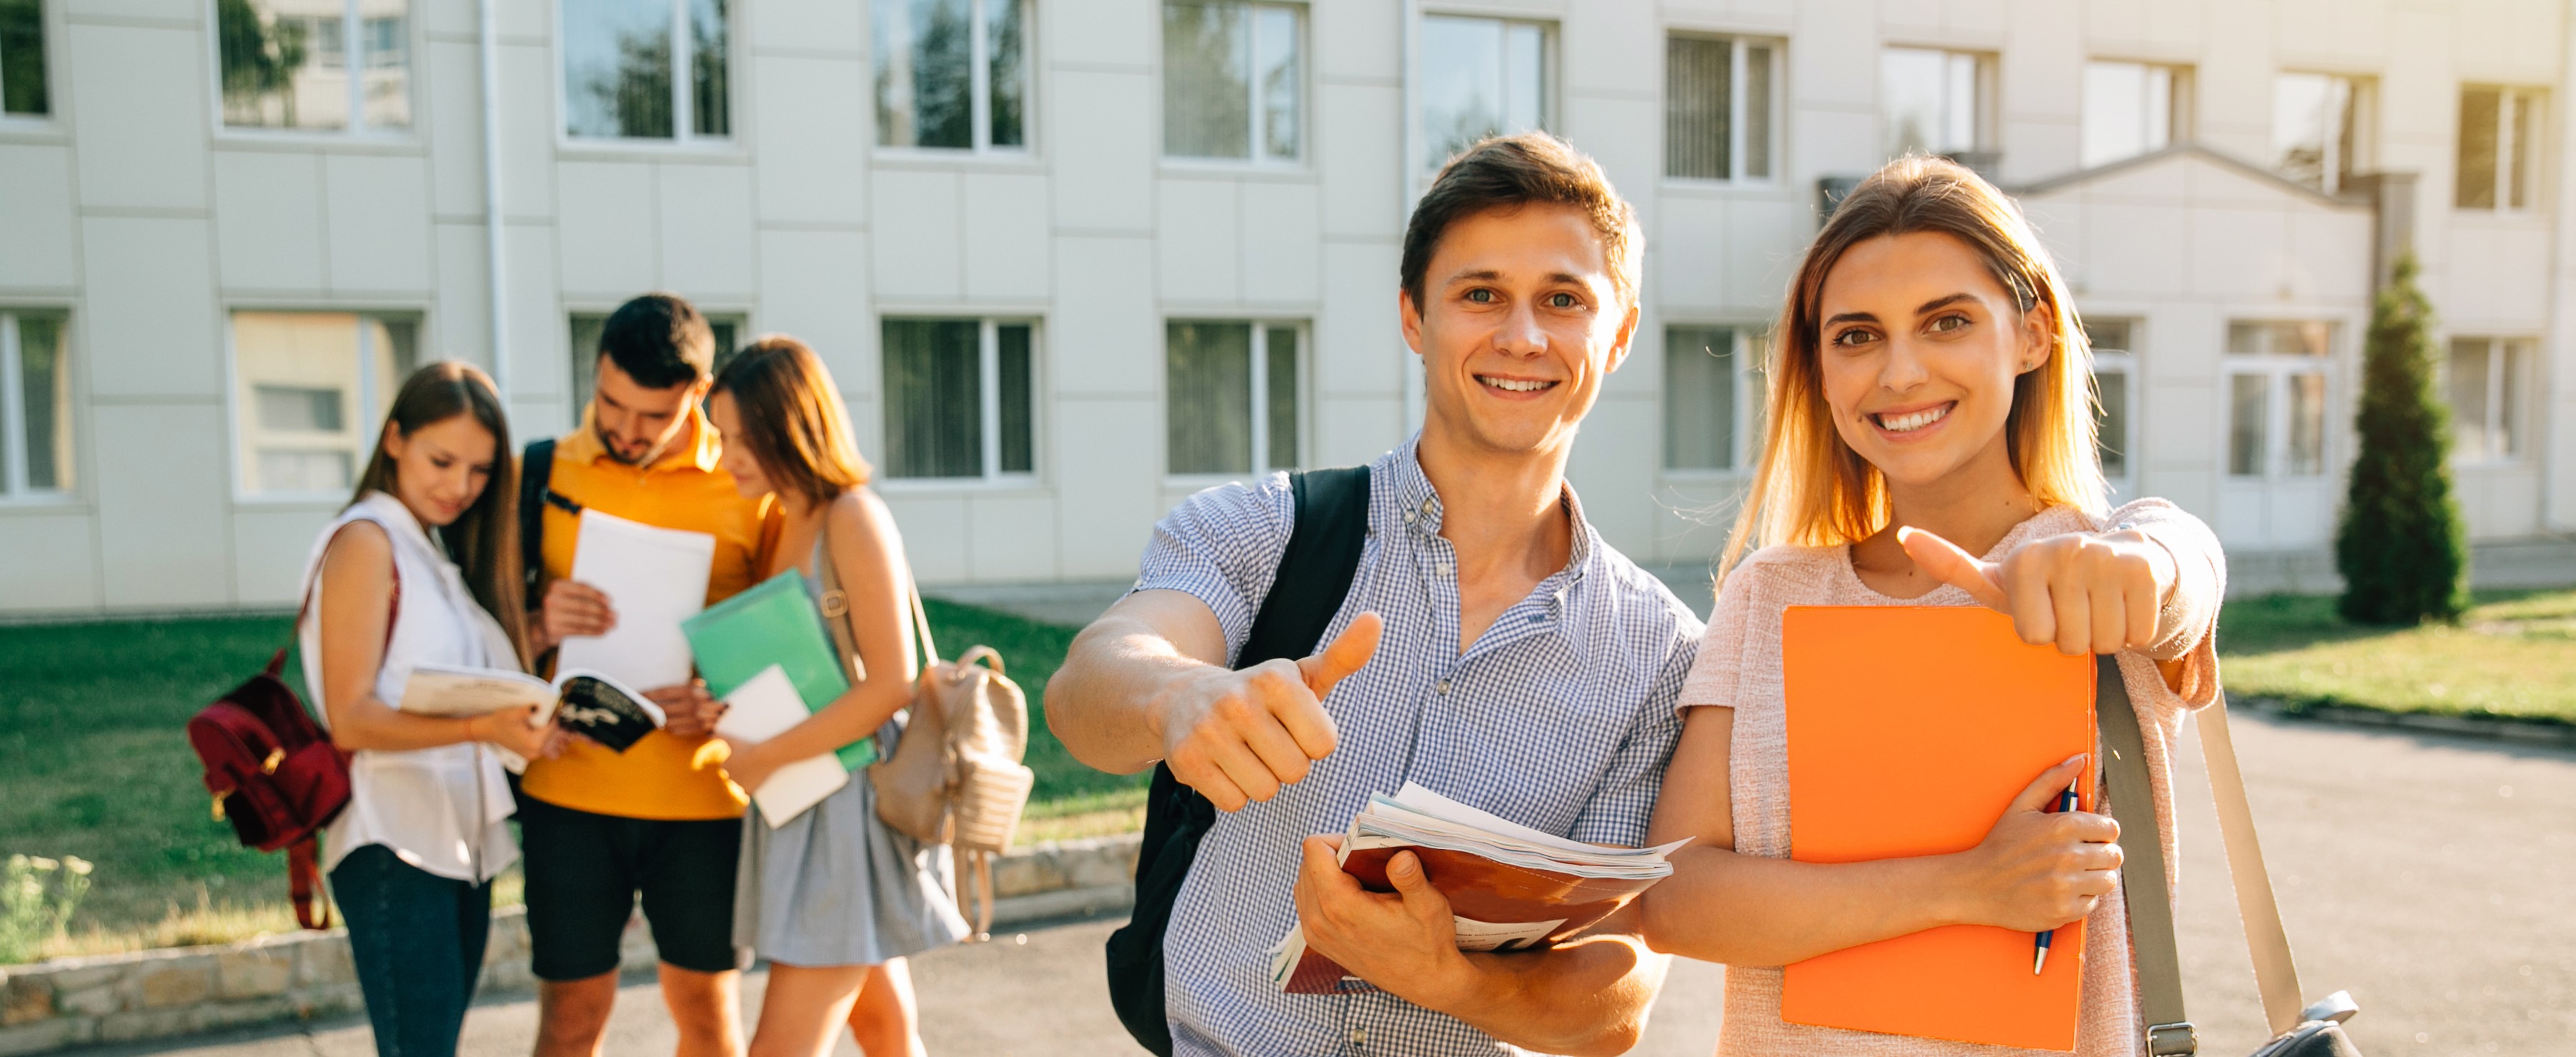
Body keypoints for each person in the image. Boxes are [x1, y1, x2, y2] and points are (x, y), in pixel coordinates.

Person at [1045, 131, 1702, 1057]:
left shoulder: (1663, 653)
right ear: (1412, 315)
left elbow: (1613, 1001)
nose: (1522, 336)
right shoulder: (1266, 528)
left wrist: (1449, 979)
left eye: (1563, 299)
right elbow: (1085, 691)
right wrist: (1179, 695)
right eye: (1481, 294)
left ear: (1620, 330)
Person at [1636, 156, 2227, 1056]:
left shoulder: (2097, 569)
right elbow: (1674, 901)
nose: (1899, 371)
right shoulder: (1770, 596)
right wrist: (1966, 885)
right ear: (1819, 369)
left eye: (1945, 322)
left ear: (2030, 336)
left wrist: (2151, 559)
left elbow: (2177, 571)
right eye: (1856, 336)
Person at [517, 294, 782, 1057]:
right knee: (570, 1018)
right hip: (566, 791)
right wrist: (539, 621)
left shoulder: (745, 484)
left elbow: (784, 643)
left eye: (651, 416)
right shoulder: (536, 473)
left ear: (697, 396)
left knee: (705, 1014)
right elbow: (477, 629)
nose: (625, 430)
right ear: (595, 375)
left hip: (702, 796)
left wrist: (722, 698)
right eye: (610, 403)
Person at [701, 337, 969, 1057]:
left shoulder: (852, 516)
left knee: (780, 1048)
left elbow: (892, 683)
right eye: (721, 437)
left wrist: (763, 756)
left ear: (788, 427)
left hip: (851, 807)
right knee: (883, 1029)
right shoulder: (780, 520)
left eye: (740, 438)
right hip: (806, 795)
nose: (726, 456)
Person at [299, 361, 564, 1057]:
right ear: (394, 440)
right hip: (393, 839)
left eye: (479, 471)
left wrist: (538, 631)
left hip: (456, 844)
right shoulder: (366, 541)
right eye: (441, 460)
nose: (459, 486)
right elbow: (351, 718)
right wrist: (485, 728)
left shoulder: (431, 551)